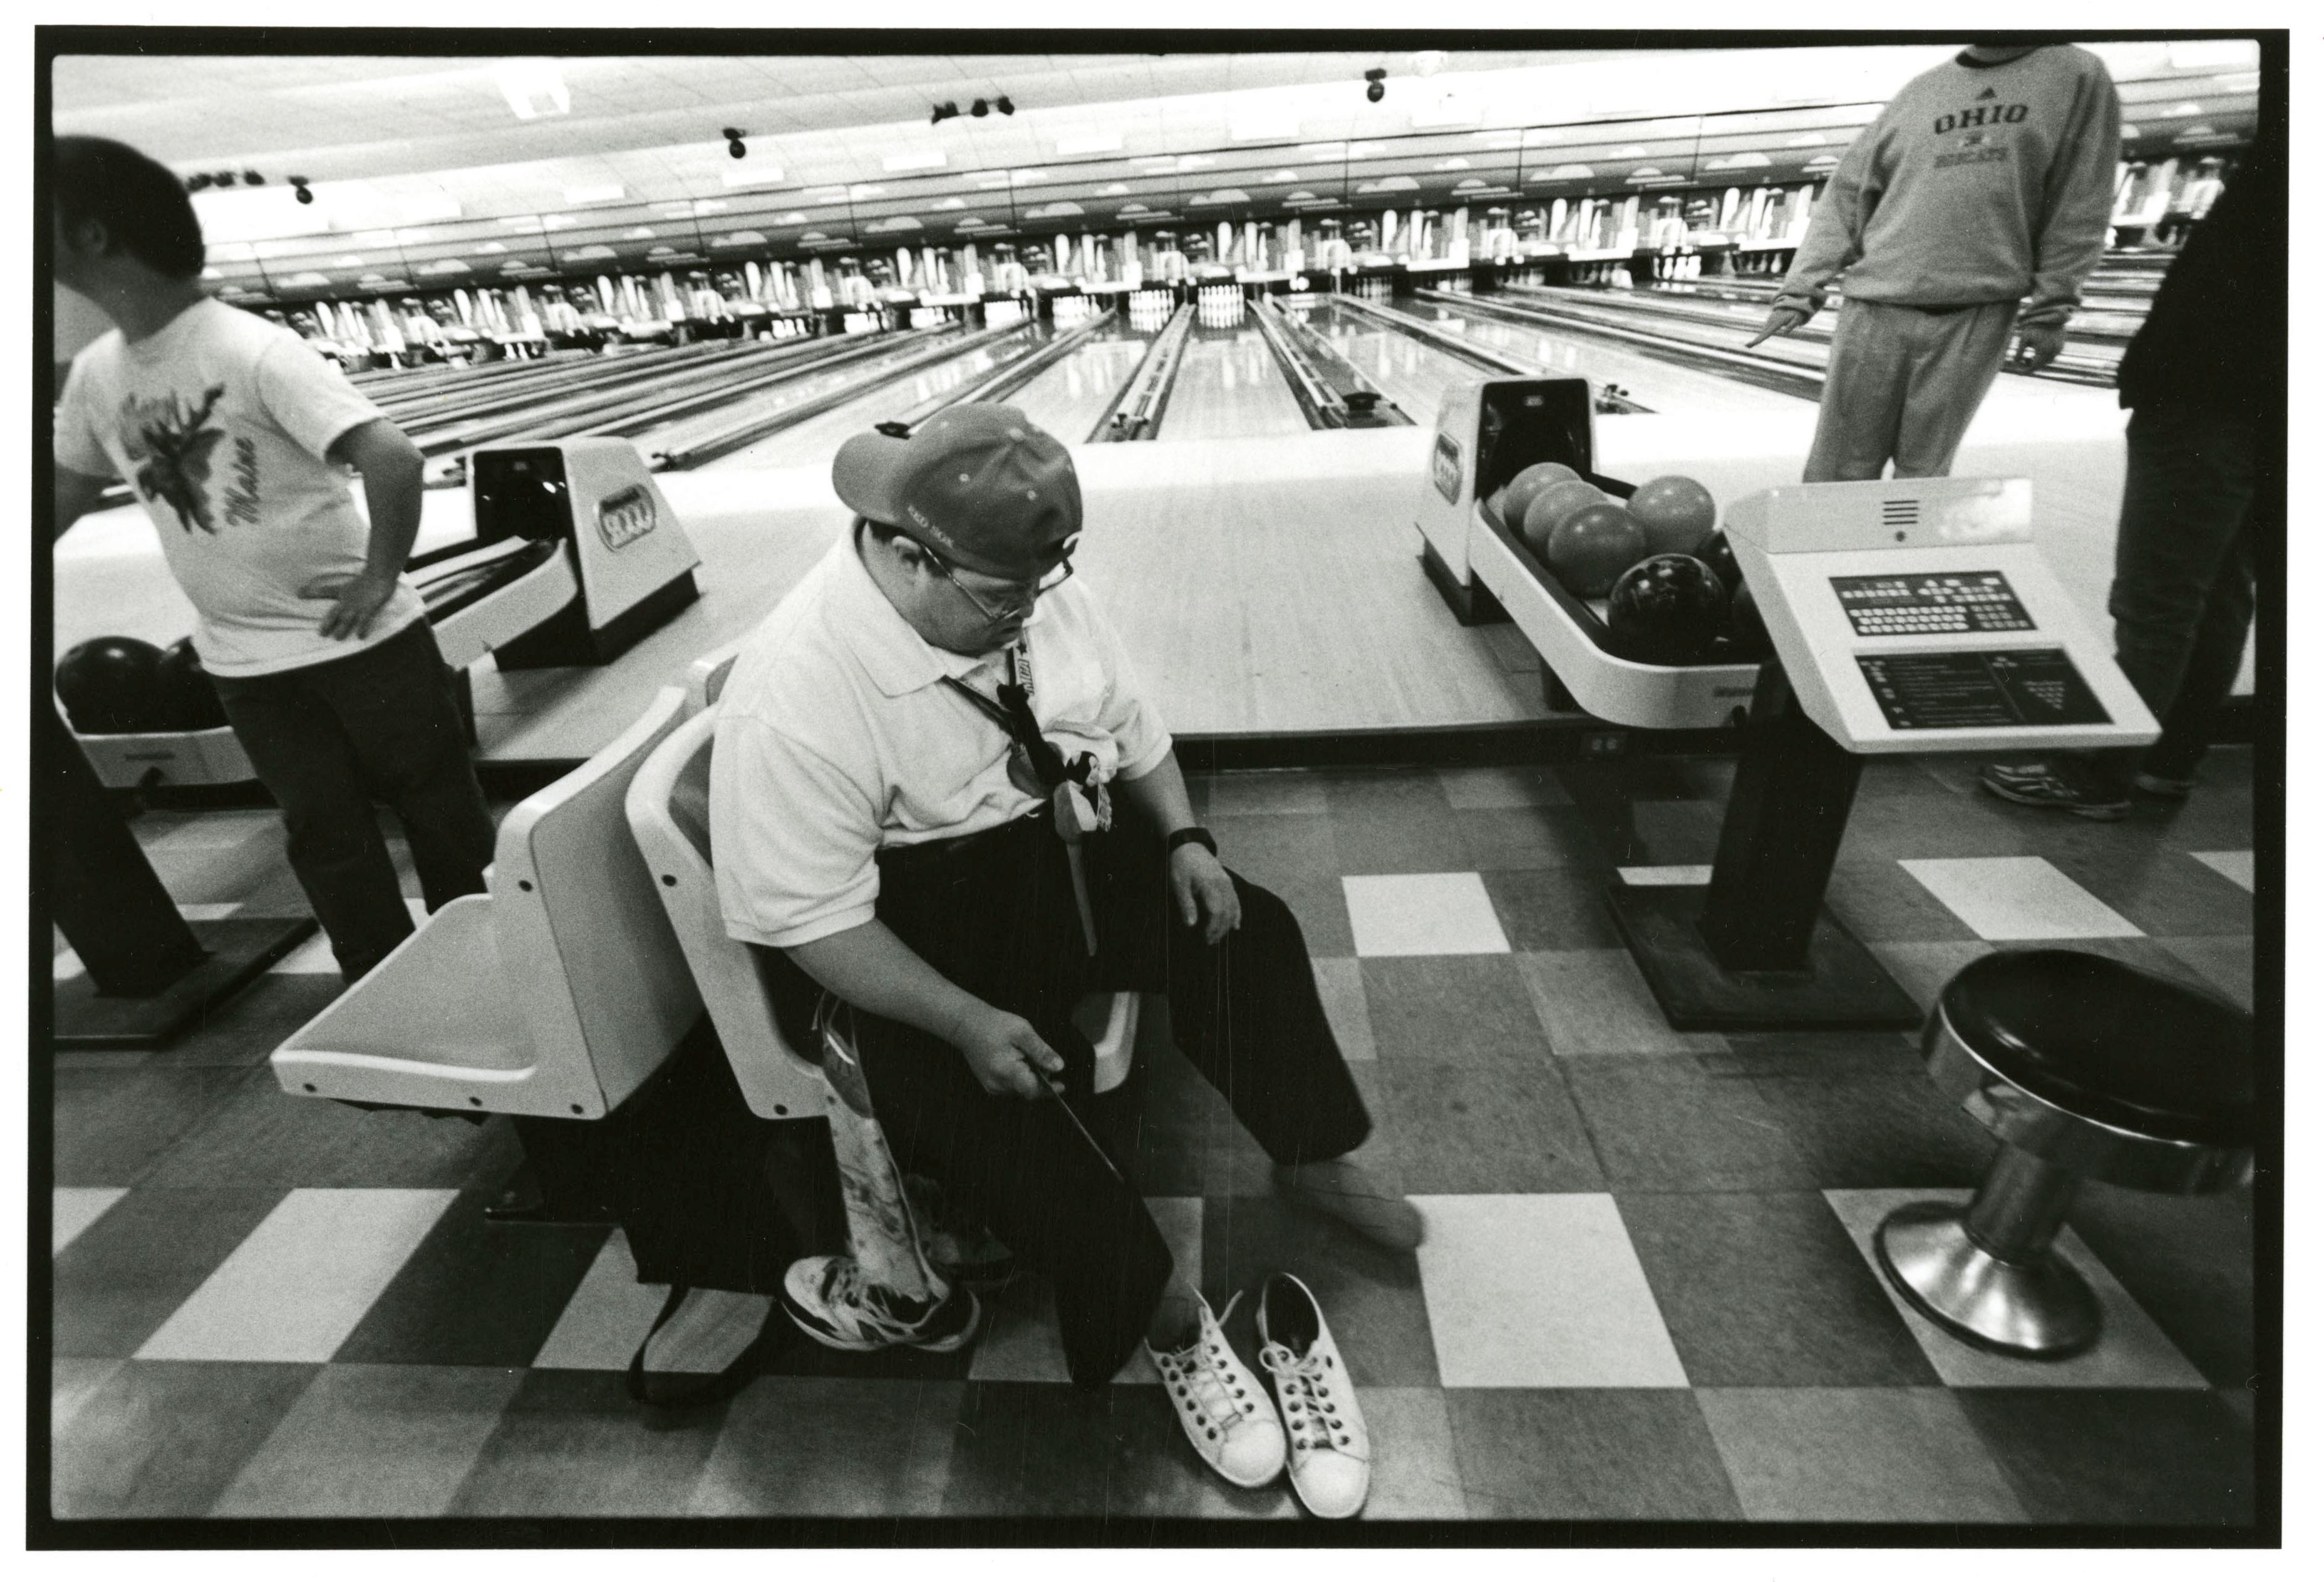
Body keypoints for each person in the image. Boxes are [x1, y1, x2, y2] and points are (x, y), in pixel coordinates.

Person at [709, 404, 1416, 1485]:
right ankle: (1162, 1316)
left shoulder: (1017, 584)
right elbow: (814, 925)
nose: (1031, 610)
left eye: (1044, 583)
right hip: (913, 939)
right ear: (909, 558)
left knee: (1247, 929)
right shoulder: (795, 695)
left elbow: (1132, 723)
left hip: (1066, 858)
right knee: (1005, 1102)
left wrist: (1182, 840)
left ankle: (1315, 1156)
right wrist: (963, 1019)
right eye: (1006, 596)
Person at [51, 135, 495, 984]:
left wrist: (378, 576)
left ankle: (487, 961)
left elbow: (393, 457)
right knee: (322, 832)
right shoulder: (99, 374)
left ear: (93, 233)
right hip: (246, 664)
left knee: (439, 811)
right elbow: (65, 492)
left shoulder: (247, 347)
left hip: (367, 646)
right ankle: (380, 982)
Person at [1980, 73, 2283, 820]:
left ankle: (2099, 772)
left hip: (2206, 395)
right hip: (2265, 401)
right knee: (2219, 592)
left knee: (2158, 600)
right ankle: (2166, 764)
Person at [1753, 43, 2122, 481]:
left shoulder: (2078, 75)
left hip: (1977, 313)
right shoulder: (1923, 89)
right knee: (1837, 473)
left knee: (1923, 476)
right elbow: (1847, 195)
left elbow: (2081, 200)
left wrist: (2051, 309)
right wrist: (1798, 291)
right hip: (1875, 307)